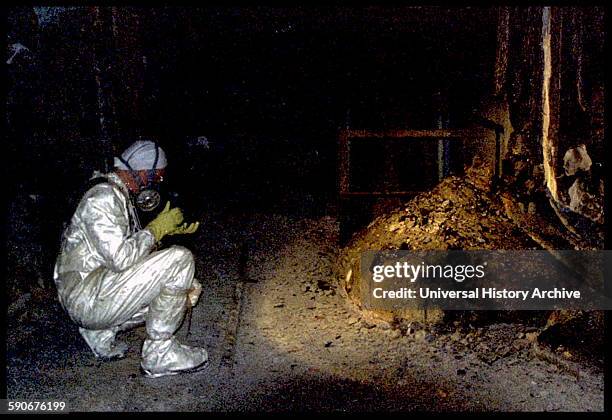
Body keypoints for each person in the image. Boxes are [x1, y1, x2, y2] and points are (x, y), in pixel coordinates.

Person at [53, 140, 207, 378]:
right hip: (84, 297)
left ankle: (100, 332)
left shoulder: (117, 194)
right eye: (158, 178)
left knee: (183, 288)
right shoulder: (102, 198)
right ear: (144, 173)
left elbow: (127, 256)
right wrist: (155, 229)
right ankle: (160, 355)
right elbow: (122, 259)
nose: (158, 184)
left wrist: (162, 234)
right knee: (180, 260)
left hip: (93, 290)